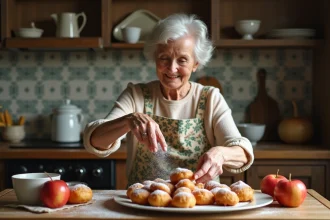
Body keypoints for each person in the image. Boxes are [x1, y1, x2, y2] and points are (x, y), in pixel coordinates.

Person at [83, 13, 254, 186]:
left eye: (182, 60)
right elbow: (95, 140)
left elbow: (242, 152)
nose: (172, 68)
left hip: (199, 204)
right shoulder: (136, 95)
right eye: (164, 58)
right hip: (144, 204)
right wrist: (129, 120)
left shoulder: (210, 98)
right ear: (155, 58)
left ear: (196, 64)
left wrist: (221, 154)